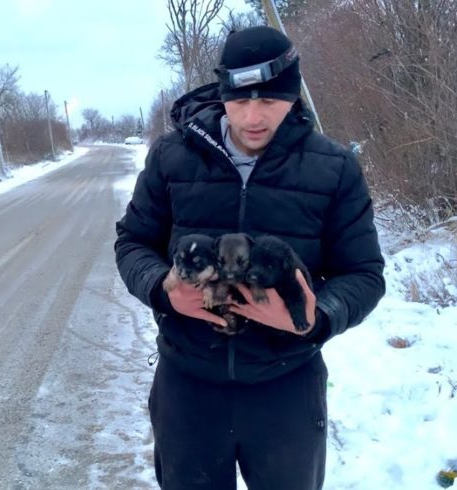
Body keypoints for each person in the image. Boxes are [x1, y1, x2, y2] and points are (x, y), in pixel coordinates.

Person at [115, 26, 385, 490]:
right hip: (188, 385)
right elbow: (132, 243)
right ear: (223, 95)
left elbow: (363, 274)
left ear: (293, 95)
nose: (254, 117)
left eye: (269, 101)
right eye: (240, 101)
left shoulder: (333, 168)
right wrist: (162, 289)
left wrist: (313, 318)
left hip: (286, 386)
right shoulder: (172, 158)